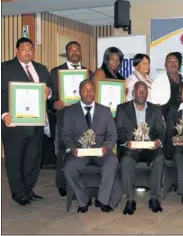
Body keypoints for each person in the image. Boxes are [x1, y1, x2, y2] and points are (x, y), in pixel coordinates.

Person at [1, 37, 52, 206]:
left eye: (30, 49)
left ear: (34, 52)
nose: (27, 51)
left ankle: (28, 190)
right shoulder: (5, 68)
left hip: (36, 124)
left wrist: (49, 92)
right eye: (24, 48)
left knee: (33, 159)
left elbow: (51, 90)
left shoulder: (41, 69)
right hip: (14, 124)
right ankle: (18, 193)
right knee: (15, 160)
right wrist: (3, 114)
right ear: (17, 51)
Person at [61, 80, 118, 213]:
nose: (88, 93)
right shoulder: (69, 112)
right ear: (79, 92)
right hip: (79, 152)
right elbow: (65, 135)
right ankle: (83, 199)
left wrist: (106, 147)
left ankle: (102, 200)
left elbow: (112, 134)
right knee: (69, 168)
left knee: (112, 161)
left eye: (91, 90)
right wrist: (72, 148)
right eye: (85, 90)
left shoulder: (105, 111)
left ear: (95, 92)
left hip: (100, 151)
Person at [48, 41, 91, 197]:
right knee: (62, 149)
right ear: (66, 53)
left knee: (83, 146)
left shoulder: (88, 73)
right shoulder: (55, 72)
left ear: (81, 52)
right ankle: (62, 183)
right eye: (71, 50)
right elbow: (50, 97)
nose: (74, 52)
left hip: (83, 117)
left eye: (77, 49)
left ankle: (81, 179)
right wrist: (55, 103)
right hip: (64, 117)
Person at [115, 81, 166, 215]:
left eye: (144, 91)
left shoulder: (155, 109)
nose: (141, 93)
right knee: (126, 159)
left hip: (150, 147)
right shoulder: (122, 108)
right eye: (138, 91)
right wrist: (127, 142)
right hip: (131, 147)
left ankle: (154, 198)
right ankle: (130, 199)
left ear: (147, 94)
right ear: (133, 93)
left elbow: (161, 130)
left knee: (160, 157)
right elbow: (119, 130)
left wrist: (158, 141)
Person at [150, 52, 183, 121]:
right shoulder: (158, 82)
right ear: (165, 65)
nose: (172, 64)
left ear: (179, 64)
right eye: (169, 62)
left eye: (175, 61)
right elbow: (154, 106)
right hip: (166, 121)